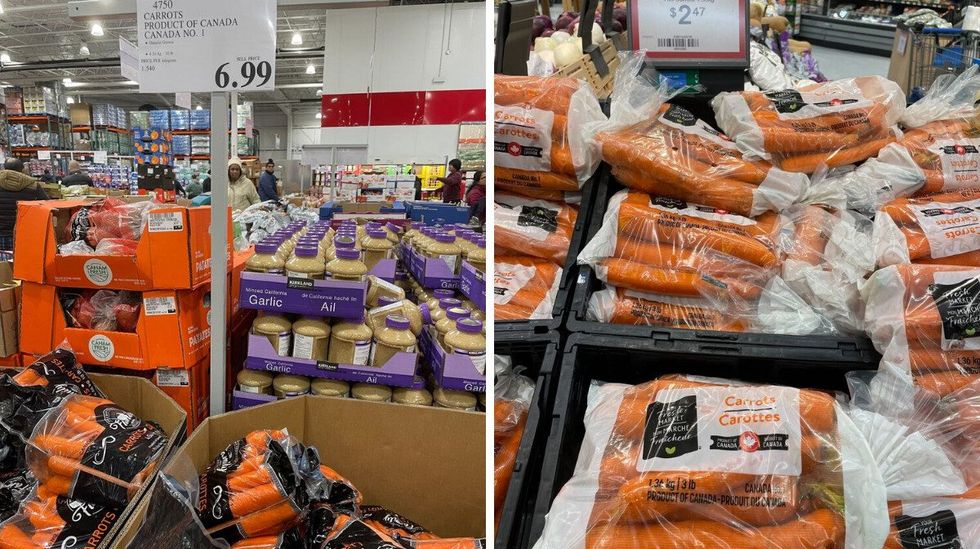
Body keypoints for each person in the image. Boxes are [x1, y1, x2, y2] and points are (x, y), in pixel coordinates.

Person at [0, 158, 48, 251]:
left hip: (1, 232)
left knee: (3, 264)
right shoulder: (34, 186)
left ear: (4, 168)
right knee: (24, 262)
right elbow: (46, 205)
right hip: (24, 233)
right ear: (22, 169)